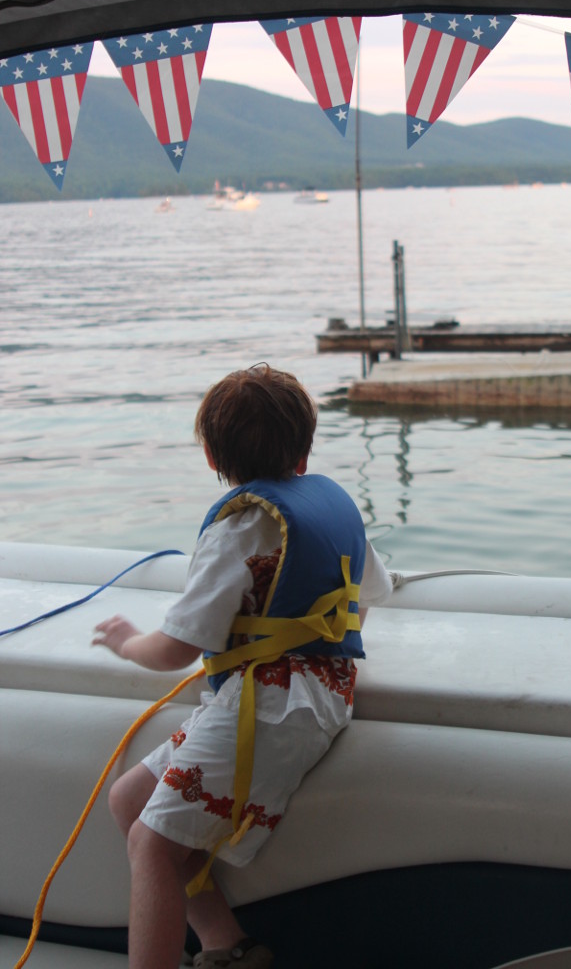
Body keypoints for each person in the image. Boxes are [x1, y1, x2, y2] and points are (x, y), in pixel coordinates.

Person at [93, 364, 393, 969]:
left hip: (270, 709)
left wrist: (126, 643)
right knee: (129, 801)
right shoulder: (329, 508)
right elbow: (370, 594)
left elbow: (175, 650)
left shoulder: (236, 530)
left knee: (150, 845)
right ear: (305, 451)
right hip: (320, 693)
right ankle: (227, 946)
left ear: (212, 457)